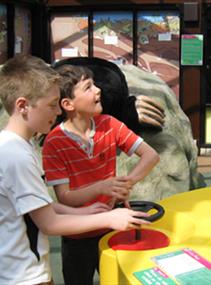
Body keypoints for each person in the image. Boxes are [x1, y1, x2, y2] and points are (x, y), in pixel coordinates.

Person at [0, 55, 152, 285]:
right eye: (52, 105)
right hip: (23, 277)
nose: (57, 111)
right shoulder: (16, 155)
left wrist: (84, 212)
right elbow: (49, 223)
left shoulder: (18, 147)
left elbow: (35, 207)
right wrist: (110, 218)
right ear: (23, 106)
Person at [42, 64, 160, 285]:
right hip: (77, 234)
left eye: (95, 84)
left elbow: (151, 156)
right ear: (68, 104)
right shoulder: (54, 142)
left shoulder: (110, 124)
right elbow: (65, 197)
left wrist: (125, 184)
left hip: (112, 229)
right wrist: (102, 187)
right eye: (88, 87)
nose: (98, 90)